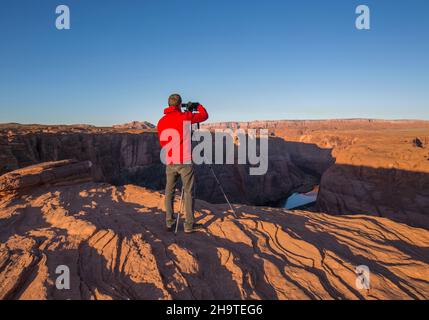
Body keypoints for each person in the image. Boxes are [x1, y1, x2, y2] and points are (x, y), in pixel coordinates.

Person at [157, 94, 209, 233]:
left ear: (169, 105)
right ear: (180, 105)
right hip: (184, 161)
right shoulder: (185, 117)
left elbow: (162, 142)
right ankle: (189, 225)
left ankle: (169, 222)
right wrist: (197, 106)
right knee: (188, 192)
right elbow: (204, 115)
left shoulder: (161, 121)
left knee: (169, 192)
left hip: (170, 161)